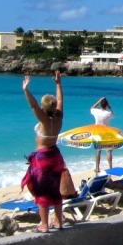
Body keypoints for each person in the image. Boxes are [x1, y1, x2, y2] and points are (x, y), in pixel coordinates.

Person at [22, 72, 74, 232]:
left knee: (42, 190)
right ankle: (58, 221)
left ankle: (44, 224)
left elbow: (33, 106)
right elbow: (60, 100)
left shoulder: (44, 120)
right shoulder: (59, 118)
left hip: (43, 158)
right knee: (55, 190)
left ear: (44, 108)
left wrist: (26, 90)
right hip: (55, 156)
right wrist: (58, 83)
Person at [89, 97, 116, 172]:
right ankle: (110, 167)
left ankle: (97, 168)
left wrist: (98, 101)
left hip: (97, 133)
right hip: (107, 133)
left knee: (98, 151)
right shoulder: (108, 113)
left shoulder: (96, 112)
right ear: (106, 105)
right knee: (109, 151)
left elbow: (92, 108)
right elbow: (113, 115)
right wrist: (109, 107)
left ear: (101, 104)